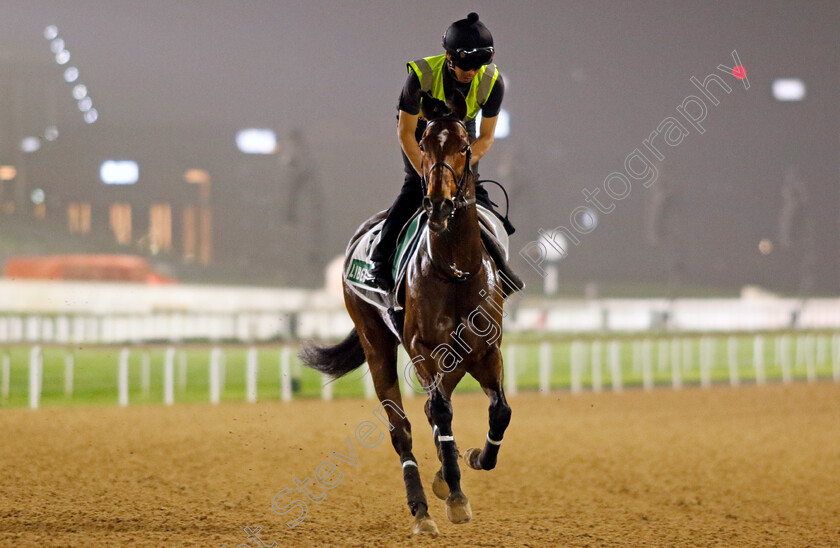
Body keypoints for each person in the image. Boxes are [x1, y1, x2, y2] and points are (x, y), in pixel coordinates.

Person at [365, 12, 524, 294]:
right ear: (449, 58)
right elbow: (405, 133)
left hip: (462, 129)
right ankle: (378, 262)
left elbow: (486, 138)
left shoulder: (492, 82)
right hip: (422, 131)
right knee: (415, 188)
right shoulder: (419, 77)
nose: (472, 72)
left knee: (471, 192)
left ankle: (501, 266)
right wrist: (430, 173)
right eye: (466, 66)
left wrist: (459, 168)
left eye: (478, 66)